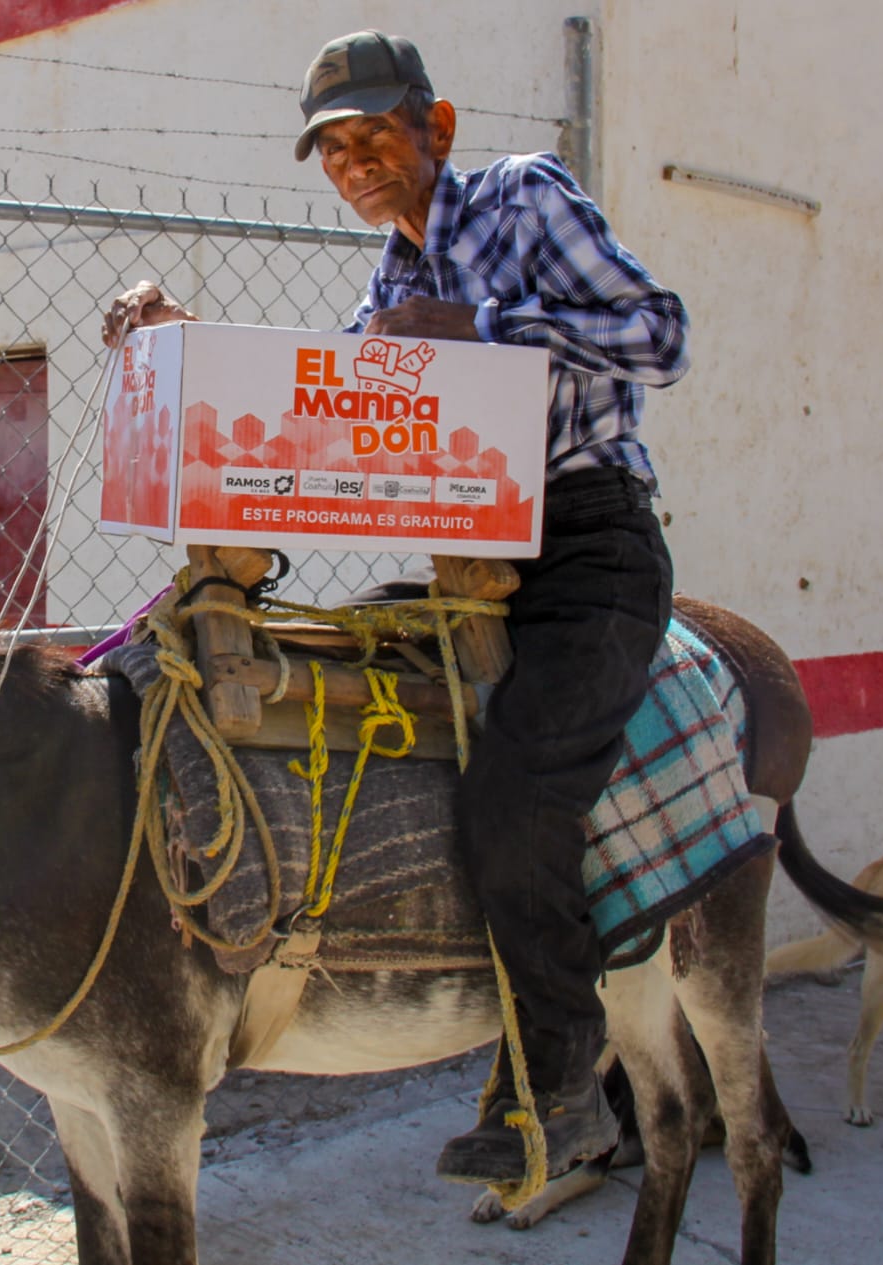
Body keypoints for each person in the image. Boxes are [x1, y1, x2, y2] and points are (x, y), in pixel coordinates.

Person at [101, 29, 689, 1185]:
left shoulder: (522, 197)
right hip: (480, 559)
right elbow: (328, 413)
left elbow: (660, 334)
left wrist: (491, 336)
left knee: (519, 796)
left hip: (588, 549)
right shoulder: (394, 276)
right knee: (347, 669)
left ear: (439, 127)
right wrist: (177, 339)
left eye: (374, 135)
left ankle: (563, 1091)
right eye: (332, 151)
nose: (355, 164)